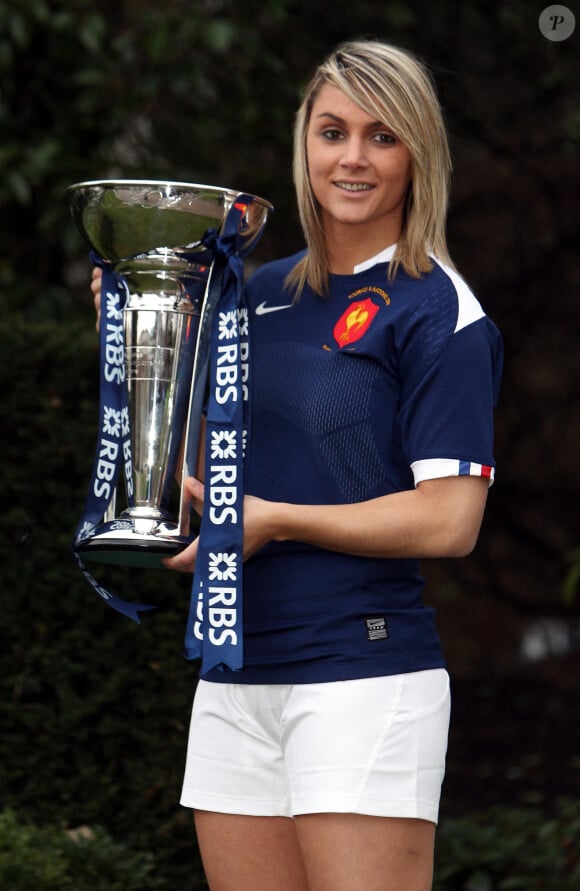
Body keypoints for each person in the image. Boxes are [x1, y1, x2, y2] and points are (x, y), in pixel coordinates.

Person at [91, 39, 502, 891]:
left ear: (418, 154)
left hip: (364, 676)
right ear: (304, 145)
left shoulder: (438, 307)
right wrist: (138, 332)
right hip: (237, 672)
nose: (352, 157)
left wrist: (275, 520)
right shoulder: (253, 293)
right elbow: (217, 464)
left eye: (382, 136)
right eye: (332, 131)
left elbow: (449, 519)